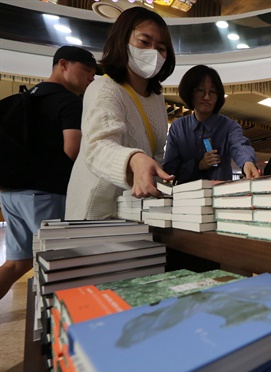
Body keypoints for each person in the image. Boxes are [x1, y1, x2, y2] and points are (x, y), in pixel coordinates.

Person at [0, 46, 97, 300]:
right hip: (45, 195)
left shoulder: (27, 97)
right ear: (63, 64)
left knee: (16, 263)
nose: (91, 77)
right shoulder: (69, 101)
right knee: (62, 263)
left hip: (11, 194)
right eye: (87, 70)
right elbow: (73, 150)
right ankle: (59, 328)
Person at [65, 7, 176, 220]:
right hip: (97, 210)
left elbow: (156, 154)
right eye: (144, 42)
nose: (153, 52)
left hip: (135, 208)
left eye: (161, 48)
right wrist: (134, 159)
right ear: (122, 40)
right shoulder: (103, 88)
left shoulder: (157, 97)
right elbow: (97, 148)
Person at [163, 65, 260, 183]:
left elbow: (239, 144)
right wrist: (198, 165)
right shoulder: (178, 128)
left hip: (219, 198)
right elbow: (169, 169)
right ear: (190, 92)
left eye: (213, 91)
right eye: (200, 90)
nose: (206, 97)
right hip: (185, 198)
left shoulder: (229, 126)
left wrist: (247, 162)